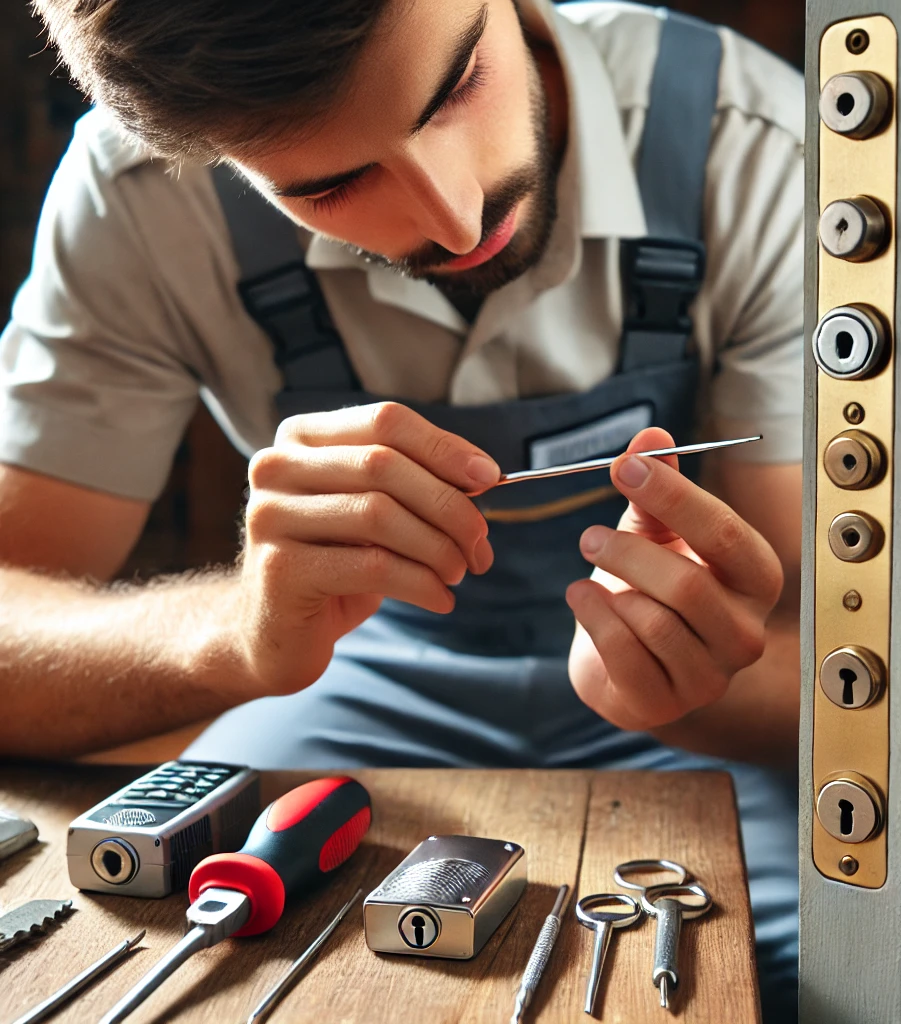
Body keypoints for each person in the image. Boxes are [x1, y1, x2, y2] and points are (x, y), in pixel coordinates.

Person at [1, 0, 803, 1017]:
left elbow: (819, 663)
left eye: (459, 81)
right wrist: (235, 635)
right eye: (330, 182)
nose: (456, 216)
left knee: (808, 974)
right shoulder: (134, 192)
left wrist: (703, 671)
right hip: (350, 682)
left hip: (705, 732)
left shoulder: (756, 147)